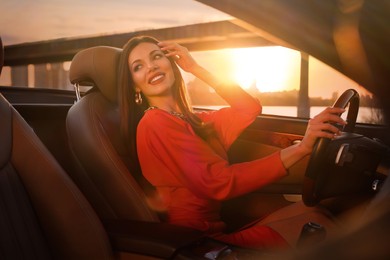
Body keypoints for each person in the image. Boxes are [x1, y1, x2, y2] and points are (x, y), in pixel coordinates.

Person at [118, 36, 346, 249]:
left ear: (172, 63)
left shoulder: (195, 119)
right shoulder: (155, 123)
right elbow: (219, 182)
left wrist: (195, 68)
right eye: (138, 67)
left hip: (218, 229)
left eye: (156, 56)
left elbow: (249, 107)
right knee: (322, 224)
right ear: (135, 86)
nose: (151, 67)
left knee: (318, 212)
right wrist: (302, 148)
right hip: (198, 244)